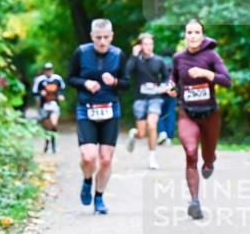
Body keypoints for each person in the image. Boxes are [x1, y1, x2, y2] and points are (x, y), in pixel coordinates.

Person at [170, 19, 232, 221]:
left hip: (210, 114)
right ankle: (194, 201)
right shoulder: (178, 58)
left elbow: (227, 81)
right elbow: (173, 80)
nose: (193, 36)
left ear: (202, 35)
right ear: (185, 35)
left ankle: (210, 161)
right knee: (190, 153)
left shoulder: (211, 55)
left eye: (197, 32)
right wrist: (170, 87)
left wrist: (206, 73)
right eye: (189, 32)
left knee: (207, 154)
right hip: (187, 113)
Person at [68, 19, 131, 214]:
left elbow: (127, 83)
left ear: (112, 36)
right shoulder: (81, 52)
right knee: (88, 157)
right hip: (86, 109)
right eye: (98, 38)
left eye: (106, 37)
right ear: (91, 36)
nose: (102, 42)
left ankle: (99, 198)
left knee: (105, 160)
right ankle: (87, 181)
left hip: (110, 110)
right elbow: (70, 78)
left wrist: (114, 81)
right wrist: (85, 83)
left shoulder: (119, 55)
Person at [125, 32, 169, 169]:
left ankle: (152, 158)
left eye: (151, 44)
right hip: (140, 100)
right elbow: (126, 73)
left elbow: (167, 78)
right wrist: (133, 55)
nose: (149, 47)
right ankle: (134, 134)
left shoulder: (159, 61)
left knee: (152, 125)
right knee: (142, 133)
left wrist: (164, 87)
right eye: (145, 44)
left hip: (155, 98)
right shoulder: (135, 61)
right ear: (140, 46)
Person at [31, 62, 65, 154]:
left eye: (50, 70)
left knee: (54, 124)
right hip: (44, 106)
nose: (48, 72)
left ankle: (54, 146)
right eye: (46, 70)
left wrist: (61, 95)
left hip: (54, 105)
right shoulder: (40, 80)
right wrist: (41, 93)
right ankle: (46, 144)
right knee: (47, 127)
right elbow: (34, 91)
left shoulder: (57, 79)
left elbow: (62, 89)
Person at [157, 49, 177, 144]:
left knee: (157, 113)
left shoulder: (158, 62)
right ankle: (169, 137)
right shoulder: (175, 63)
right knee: (171, 114)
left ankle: (162, 132)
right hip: (172, 92)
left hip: (160, 91)